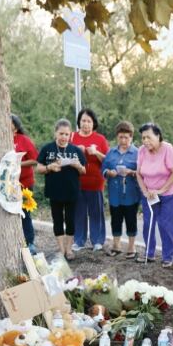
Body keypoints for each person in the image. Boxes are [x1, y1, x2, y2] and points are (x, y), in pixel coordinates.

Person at [37, 119, 86, 260]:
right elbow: (38, 168)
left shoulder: (75, 150)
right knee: (57, 220)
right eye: (61, 134)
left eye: (66, 134)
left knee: (70, 220)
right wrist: (49, 167)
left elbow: (84, 171)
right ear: (55, 133)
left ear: (70, 135)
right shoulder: (47, 149)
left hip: (72, 191)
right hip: (54, 191)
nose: (64, 137)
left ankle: (69, 249)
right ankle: (61, 249)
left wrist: (77, 166)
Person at [135, 122, 173, 267]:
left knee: (166, 226)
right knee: (148, 224)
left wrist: (161, 190)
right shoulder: (142, 150)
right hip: (149, 195)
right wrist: (145, 191)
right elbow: (138, 173)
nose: (145, 141)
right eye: (143, 138)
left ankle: (168, 257)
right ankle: (149, 254)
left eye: (148, 137)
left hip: (167, 194)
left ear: (158, 136)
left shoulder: (167, 148)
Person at [71, 108, 109, 252]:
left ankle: (97, 241)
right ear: (79, 122)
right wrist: (76, 150)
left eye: (89, 121)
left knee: (96, 212)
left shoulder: (100, 139)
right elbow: (63, 156)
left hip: (95, 182)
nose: (86, 124)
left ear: (93, 123)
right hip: (76, 182)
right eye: (83, 120)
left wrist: (96, 152)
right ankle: (78, 241)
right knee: (78, 212)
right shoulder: (72, 137)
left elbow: (108, 160)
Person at [102, 121, 141, 258]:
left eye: (126, 137)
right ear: (117, 137)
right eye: (121, 137)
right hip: (114, 193)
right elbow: (104, 168)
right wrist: (109, 172)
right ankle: (116, 245)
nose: (123, 140)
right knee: (116, 219)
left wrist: (132, 172)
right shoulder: (111, 152)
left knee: (131, 220)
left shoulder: (138, 153)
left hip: (131, 193)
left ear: (131, 137)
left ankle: (131, 246)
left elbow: (143, 172)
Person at [10, 114, 39, 255]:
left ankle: (30, 242)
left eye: (9, 123)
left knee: (25, 213)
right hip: (7, 185)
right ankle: (12, 243)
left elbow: (35, 160)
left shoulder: (23, 140)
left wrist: (18, 164)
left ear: (15, 127)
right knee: (9, 214)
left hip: (25, 184)